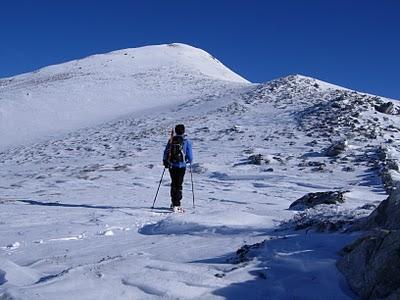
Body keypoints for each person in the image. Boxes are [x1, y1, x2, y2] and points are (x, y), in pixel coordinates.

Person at [163, 124, 193, 212]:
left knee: (173, 183)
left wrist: (165, 161)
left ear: (176, 131)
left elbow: (166, 152)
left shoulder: (171, 140)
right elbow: (190, 156)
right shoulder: (186, 141)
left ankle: (173, 203)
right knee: (179, 184)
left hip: (172, 165)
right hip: (181, 166)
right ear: (184, 131)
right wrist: (189, 162)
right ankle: (177, 204)